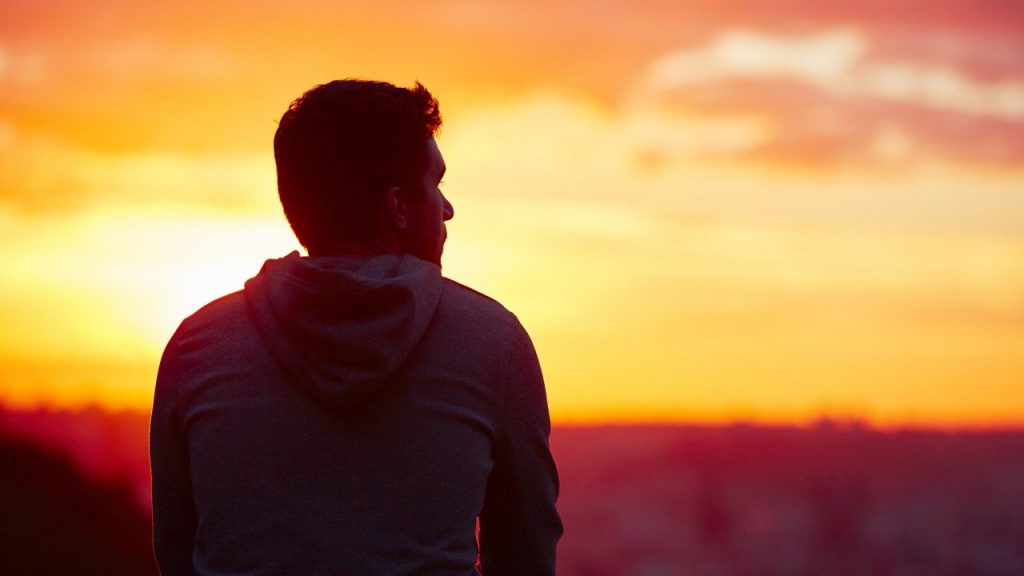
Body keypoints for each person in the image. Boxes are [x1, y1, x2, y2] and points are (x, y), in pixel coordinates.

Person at [150, 80, 562, 576]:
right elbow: (525, 554)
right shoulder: (495, 344)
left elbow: (179, 552)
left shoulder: (197, 348)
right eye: (438, 185)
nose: (447, 208)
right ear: (398, 208)